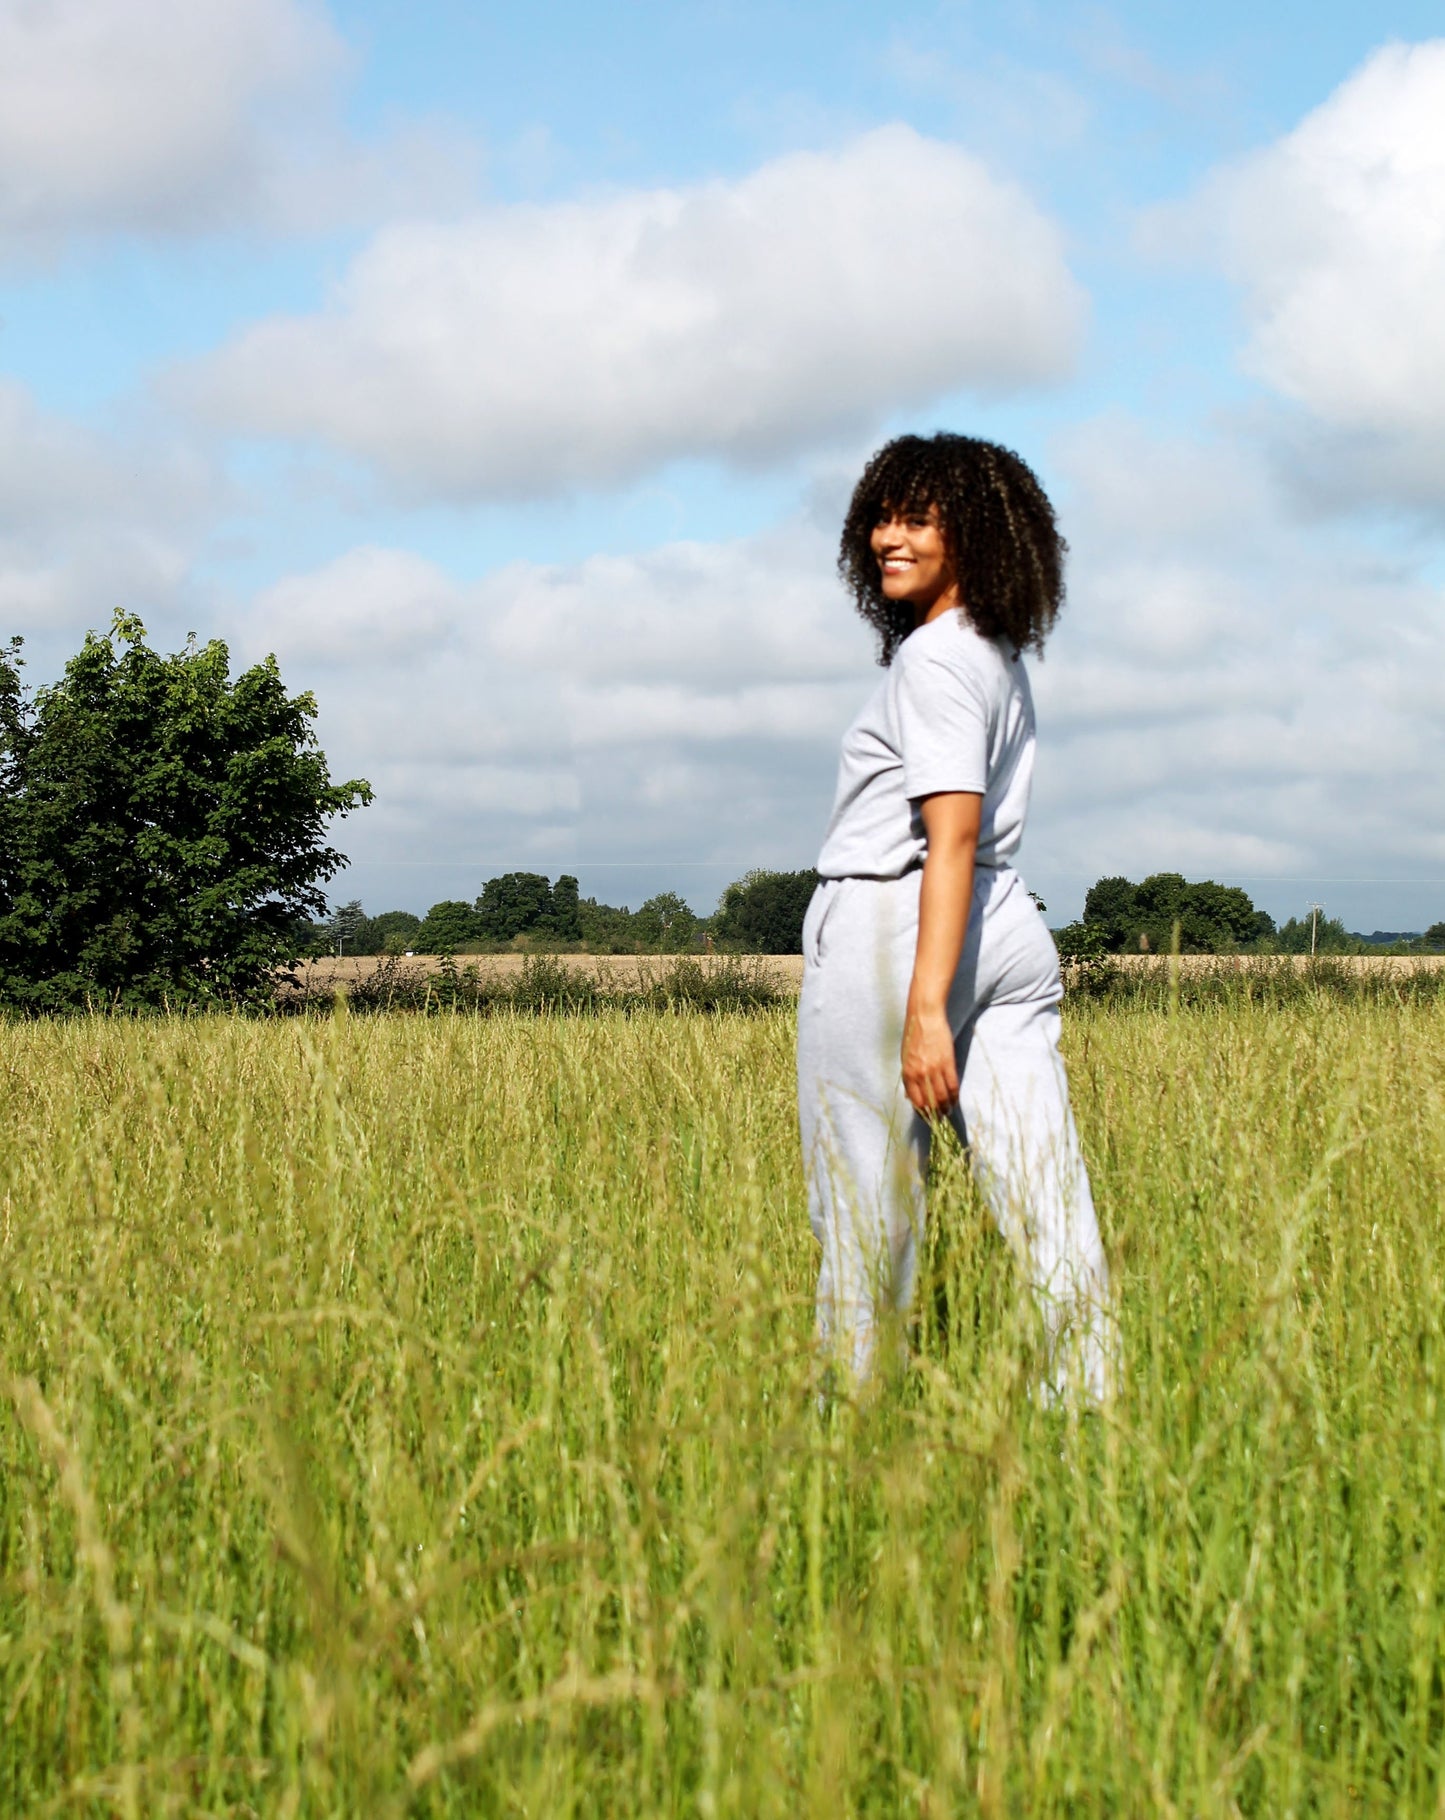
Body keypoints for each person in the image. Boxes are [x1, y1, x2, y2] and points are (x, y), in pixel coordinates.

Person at [797, 432, 1115, 1399]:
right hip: (1005, 929)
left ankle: (849, 1430)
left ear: (972, 532)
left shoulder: (934, 661)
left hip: (901, 928)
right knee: (1044, 1196)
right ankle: (1088, 1408)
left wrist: (925, 1006)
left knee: (866, 1200)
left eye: (916, 520)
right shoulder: (992, 650)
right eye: (880, 519)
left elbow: (953, 835)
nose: (887, 538)